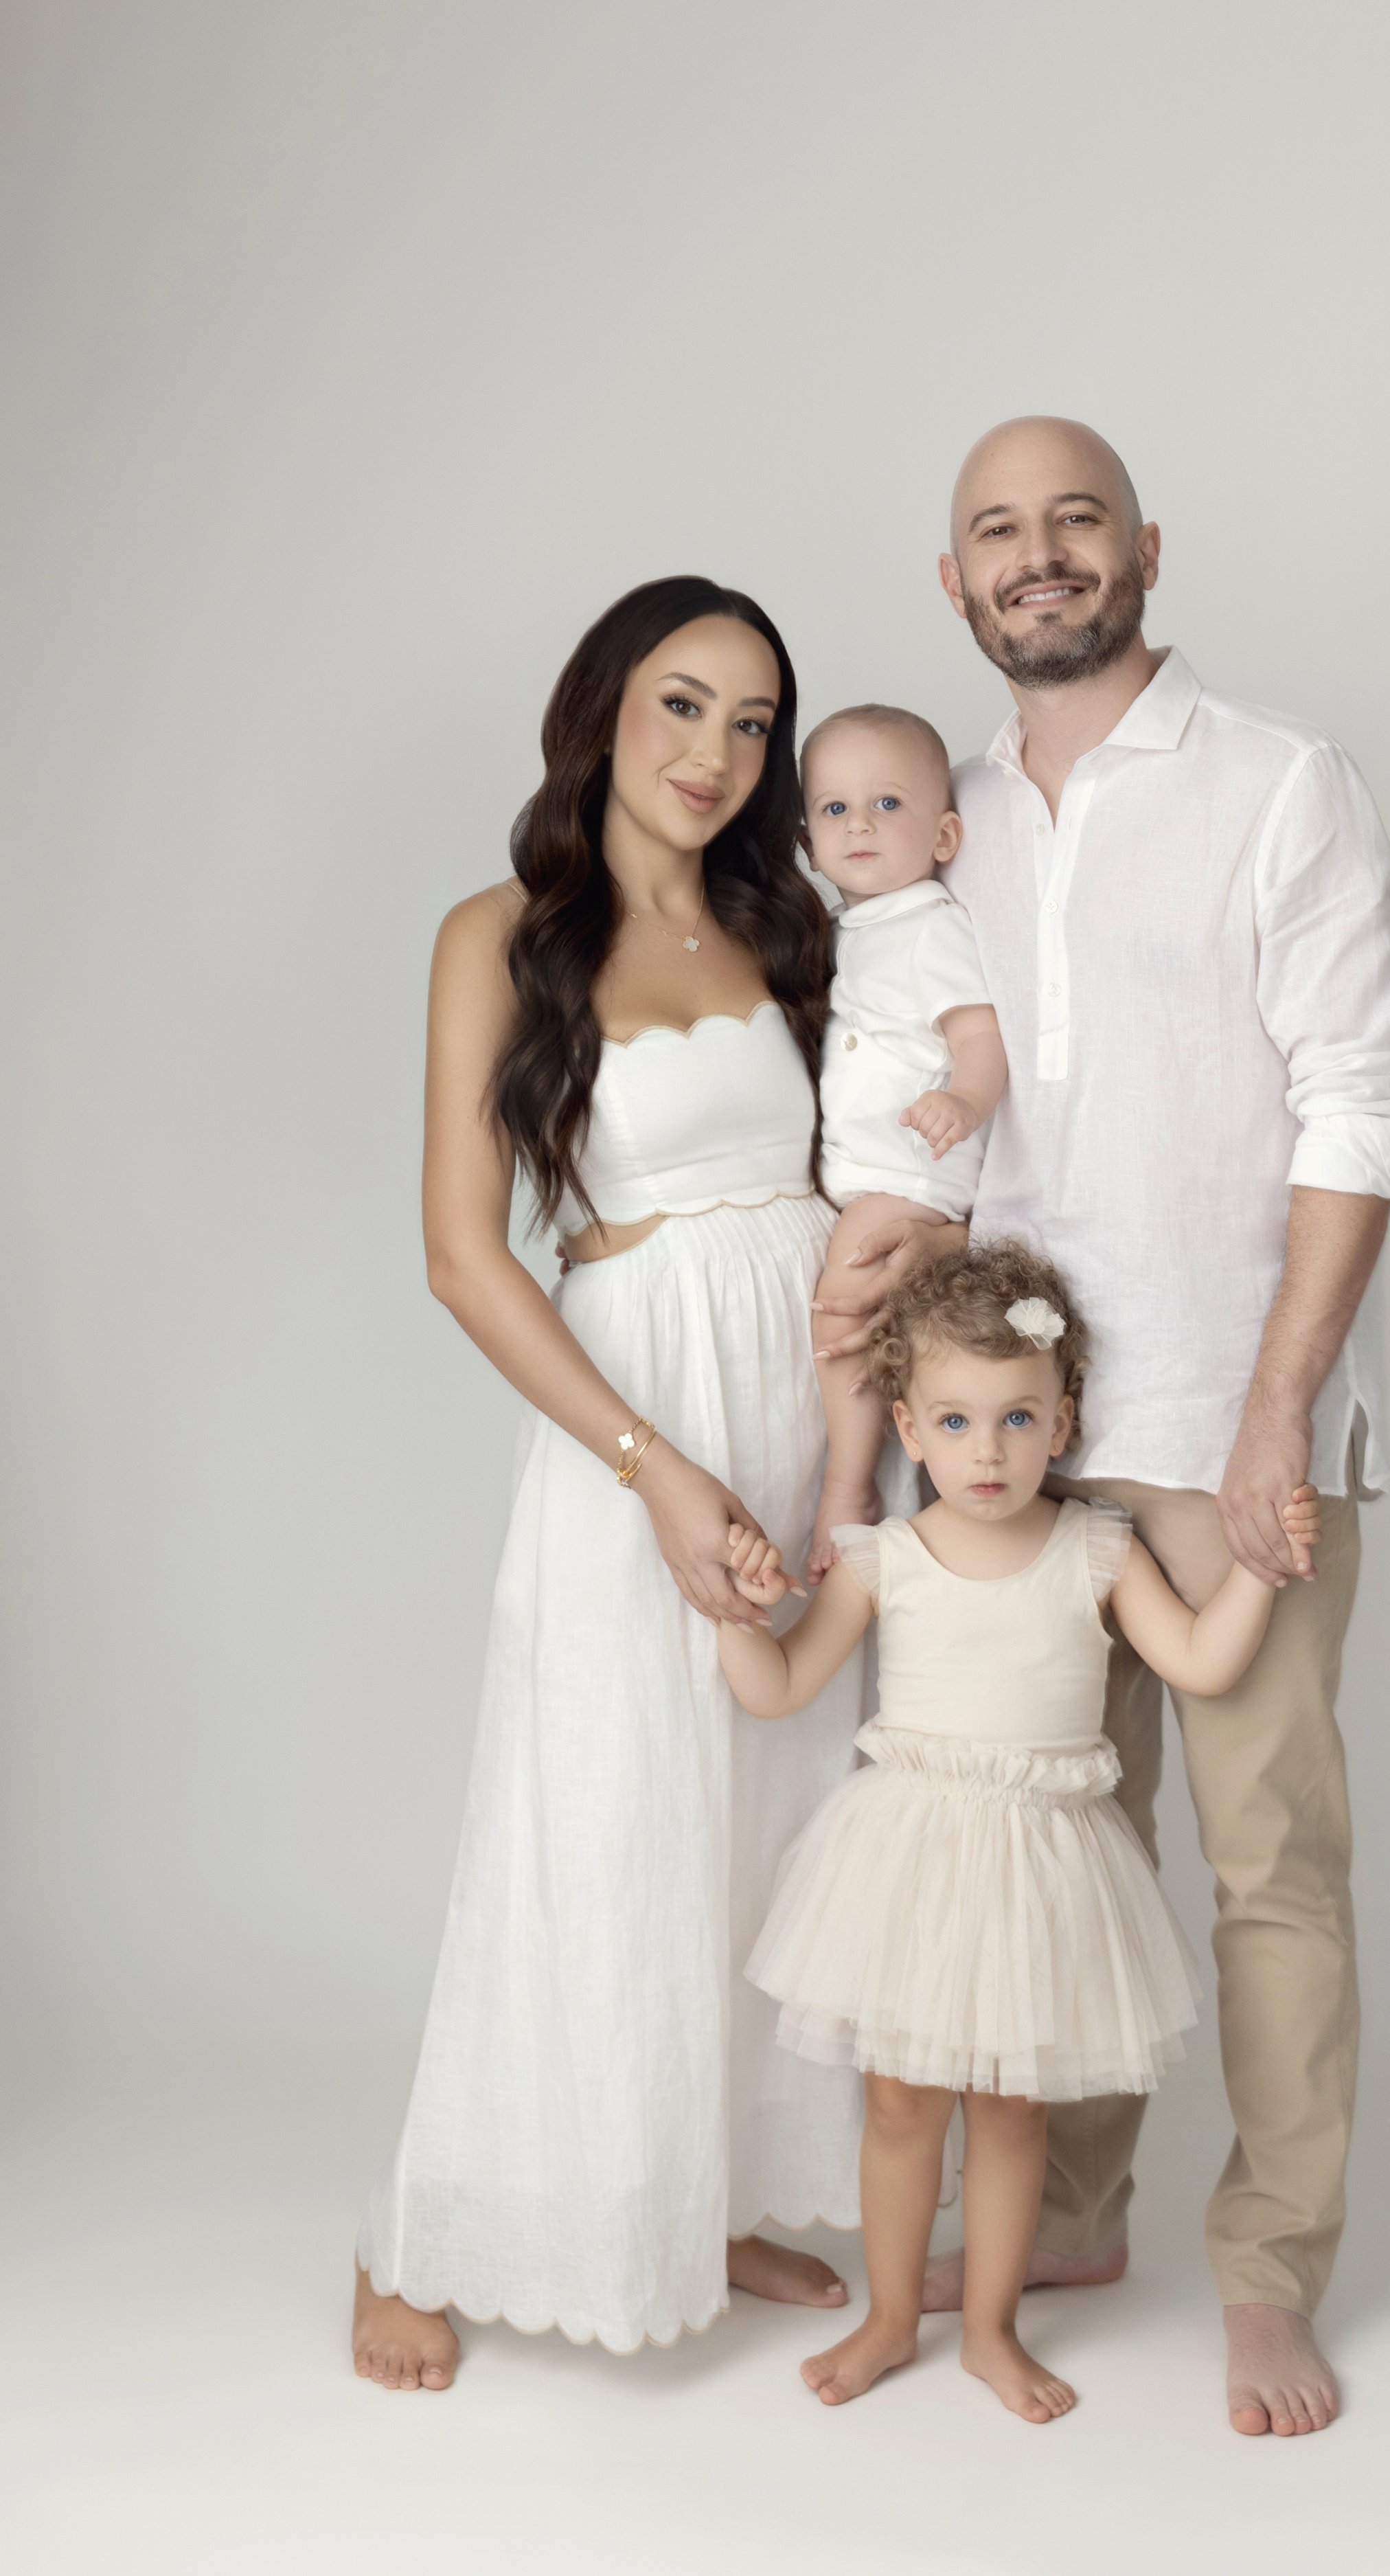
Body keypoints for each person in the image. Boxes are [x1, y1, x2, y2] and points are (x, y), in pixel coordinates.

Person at [814, 418, 1390, 2438]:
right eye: (995, 527)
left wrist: (1271, 1415)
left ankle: (1263, 2272)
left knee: (1267, 1865)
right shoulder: (943, 819)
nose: (1037, 553)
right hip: (1007, 1428)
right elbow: (947, 1106)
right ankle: (1058, 2215)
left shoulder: (1273, 781)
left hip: (1225, 1420)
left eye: (1072, 516)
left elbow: (1357, 1102)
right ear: (952, 580)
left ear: (1140, 546)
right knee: (1038, 1840)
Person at [352, 576, 873, 2389]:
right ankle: (423, 2232)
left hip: (805, 1409)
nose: (716, 754)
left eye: (749, 722)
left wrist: (867, 1431)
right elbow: (461, 1251)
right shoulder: (497, 934)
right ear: (599, 703)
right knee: (591, 1817)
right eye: (680, 703)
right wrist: (655, 1468)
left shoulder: (790, 922)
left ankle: (701, 2187)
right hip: (635, 1419)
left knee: (769, 1815)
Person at [718, 1242, 1321, 2423]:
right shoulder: (884, 1561)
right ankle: (892, 2319)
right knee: (900, 2104)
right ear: (906, 1426)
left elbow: (1199, 1661)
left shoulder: (1100, 1550)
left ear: (1066, 1421)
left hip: (1044, 1871)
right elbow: (780, 1688)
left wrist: (1258, 1567)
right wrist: (735, 1614)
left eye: (1017, 1419)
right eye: (954, 1420)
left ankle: (992, 2329)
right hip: (913, 1867)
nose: (986, 1452)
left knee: (1011, 2109)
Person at [797, 704, 1006, 1577]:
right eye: (835, 809)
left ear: (944, 833)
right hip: (870, 1171)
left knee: (842, 1306)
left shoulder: (929, 924)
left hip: (909, 1173)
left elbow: (982, 1036)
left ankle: (848, 1484)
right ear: (806, 836)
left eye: (887, 804)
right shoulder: (850, 929)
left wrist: (963, 1097)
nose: (859, 827)